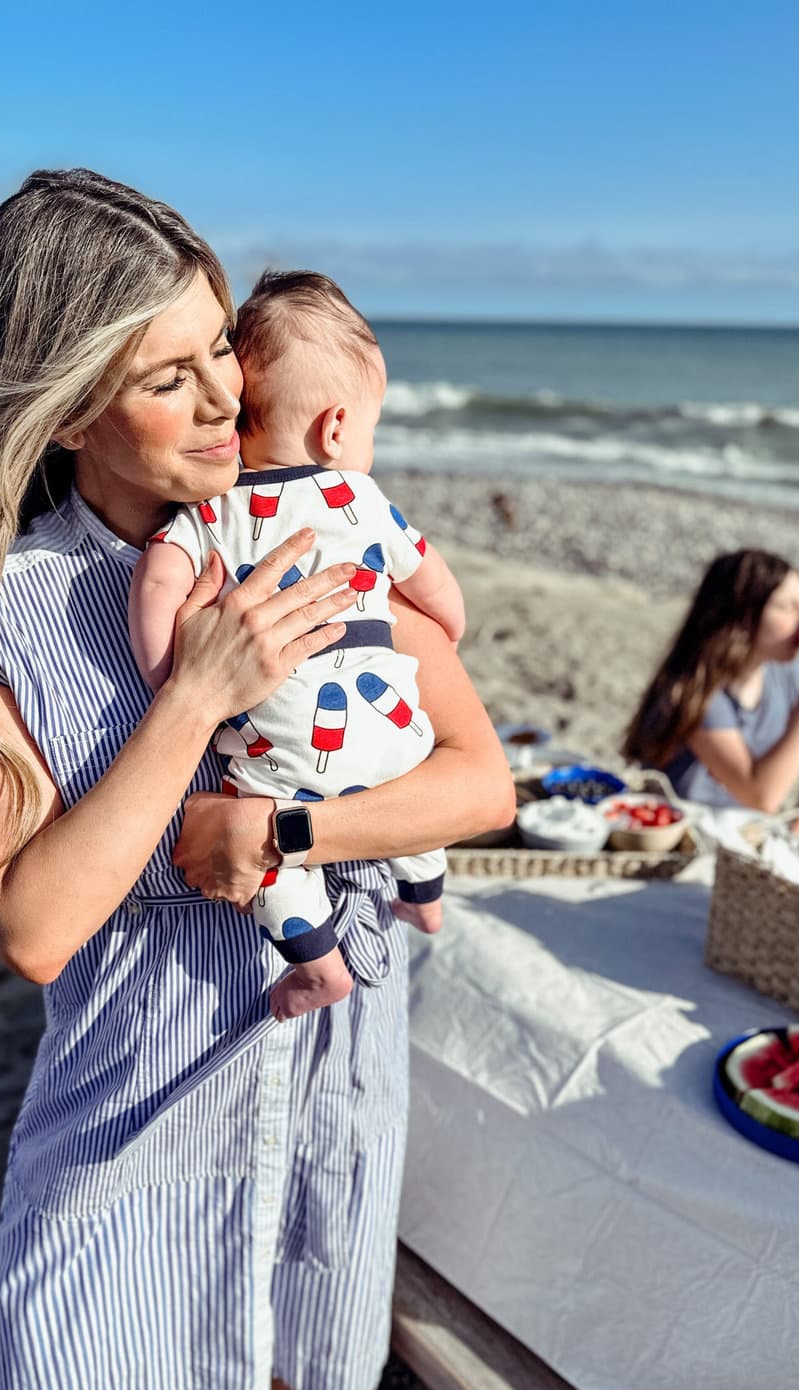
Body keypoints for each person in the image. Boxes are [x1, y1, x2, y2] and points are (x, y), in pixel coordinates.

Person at [0, 169, 513, 1390]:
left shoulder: (329, 532)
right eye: (173, 372)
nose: (230, 393)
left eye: (223, 342)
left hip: (333, 1035)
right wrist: (191, 697)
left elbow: (478, 783)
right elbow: (32, 924)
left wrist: (282, 840)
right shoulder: (6, 616)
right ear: (71, 407)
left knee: (319, 1295)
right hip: (148, 1066)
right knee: (198, 1308)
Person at [129, 270, 466, 1023]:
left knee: (276, 869)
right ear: (338, 428)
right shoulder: (362, 498)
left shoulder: (210, 505)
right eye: (372, 429)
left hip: (282, 750)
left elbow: (158, 584)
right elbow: (430, 574)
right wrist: (448, 627)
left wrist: (168, 677)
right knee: (409, 796)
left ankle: (318, 968)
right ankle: (425, 895)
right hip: (391, 731)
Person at [622, 549, 799, 843]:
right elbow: (760, 796)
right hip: (679, 836)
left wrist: (797, 838)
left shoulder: (790, 674)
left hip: (739, 836)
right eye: (788, 606)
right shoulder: (695, 689)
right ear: (741, 616)